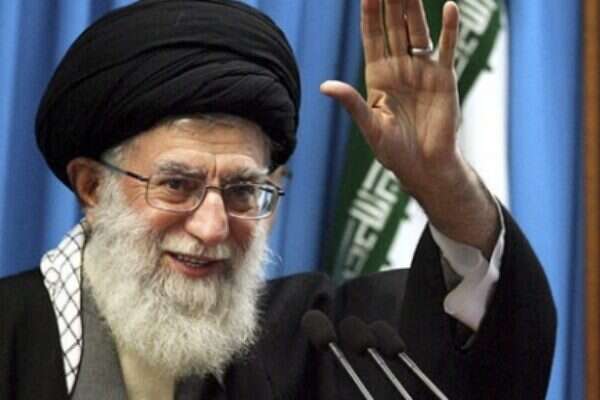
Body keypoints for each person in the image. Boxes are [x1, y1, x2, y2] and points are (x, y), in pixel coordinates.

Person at [0, 0, 556, 399]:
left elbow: (476, 359)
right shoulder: (10, 337)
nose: (212, 226)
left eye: (243, 190)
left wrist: (445, 184)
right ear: (92, 187)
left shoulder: (322, 344)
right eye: (177, 185)